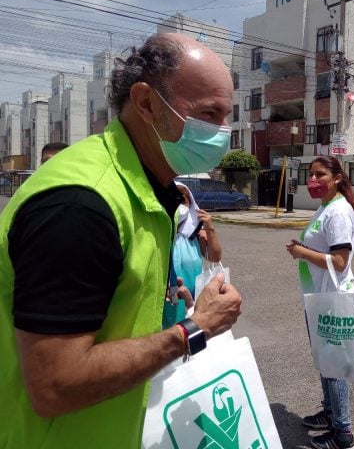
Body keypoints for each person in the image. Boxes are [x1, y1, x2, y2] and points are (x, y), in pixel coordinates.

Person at [0, 33, 243, 448]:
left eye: (226, 116)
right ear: (146, 103)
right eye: (209, 114)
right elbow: (56, 384)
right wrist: (193, 329)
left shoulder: (147, 188)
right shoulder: (80, 205)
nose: (223, 133)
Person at [285, 155, 354, 449]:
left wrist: (301, 252)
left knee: (334, 366)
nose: (312, 180)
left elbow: (340, 261)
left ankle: (343, 434)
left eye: (320, 175)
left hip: (332, 298)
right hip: (318, 295)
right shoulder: (325, 207)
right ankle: (330, 414)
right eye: (310, 174)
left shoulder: (338, 211)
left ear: (337, 178)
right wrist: (304, 247)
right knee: (325, 361)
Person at [163, 181, 224, 328]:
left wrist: (210, 228)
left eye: (183, 200)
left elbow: (215, 257)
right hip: (165, 301)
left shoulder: (194, 234)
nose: (179, 205)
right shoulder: (159, 234)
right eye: (174, 198)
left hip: (195, 300)